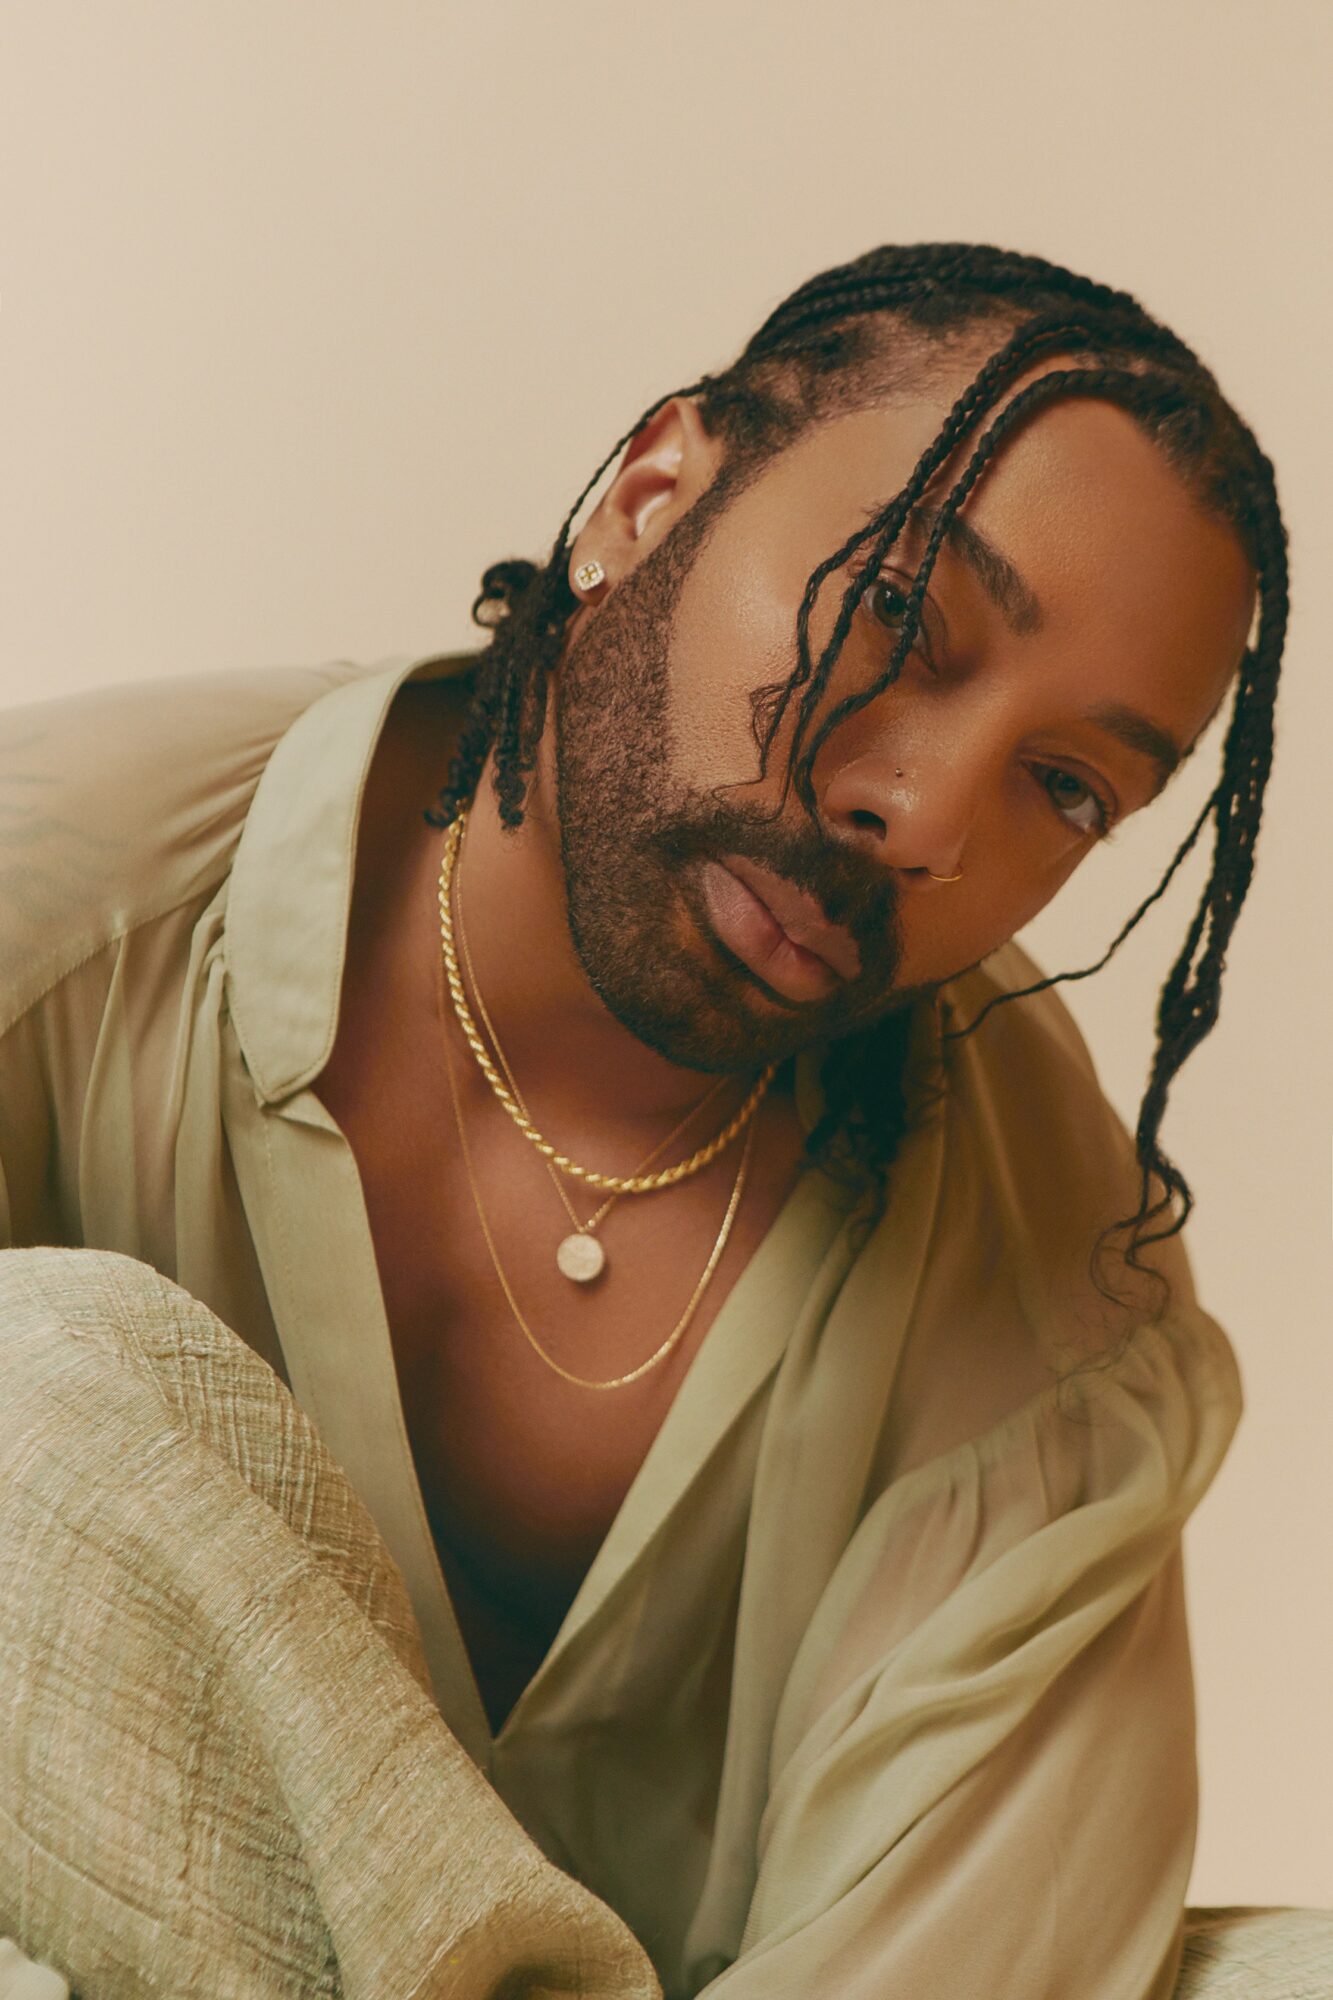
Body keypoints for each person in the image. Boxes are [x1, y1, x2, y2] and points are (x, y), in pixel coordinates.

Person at [0, 244, 1288, 1998]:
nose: (923, 820)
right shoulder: (56, 911)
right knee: (36, 1399)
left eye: (1064, 787)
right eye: (894, 616)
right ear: (648, 495)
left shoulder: (1060, 1290)